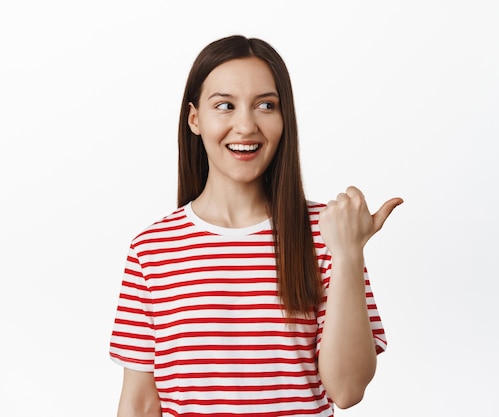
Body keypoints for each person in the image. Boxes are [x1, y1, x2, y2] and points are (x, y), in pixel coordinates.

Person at [109, 34, 403, 417]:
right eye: (225, 106)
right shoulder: (152, 249)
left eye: (266, 105)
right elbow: (140, 401)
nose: (246, 125)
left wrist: (348, 254)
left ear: (285, 119)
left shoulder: (327, 233)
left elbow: (347, 390)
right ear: (195, 119)